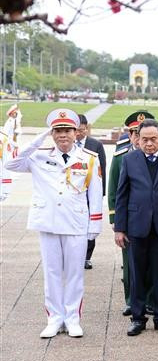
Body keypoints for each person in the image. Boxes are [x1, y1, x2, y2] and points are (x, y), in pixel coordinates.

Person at [5, 109, 102, 338]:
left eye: (67, 130)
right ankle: (54, 318)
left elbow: (95, 194)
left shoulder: (89, 158)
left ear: (76, 132)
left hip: (75, 222)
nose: (63, 136)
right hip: (48, 222)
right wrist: (39, 138)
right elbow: (11, 164)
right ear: (52, 133)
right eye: (57, 131)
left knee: (75, 273)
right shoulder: (38, 155)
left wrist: (94, 225)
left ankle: (73, 319)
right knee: (52, 273)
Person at [114, 119, 158, 336]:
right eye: (144, 139)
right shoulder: (130, 159)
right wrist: (119, 228)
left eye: (153, 139)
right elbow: (122, 195)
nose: (149, 143)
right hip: (137, 226)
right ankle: (138, 318)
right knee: (137, 274)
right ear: (138, 140)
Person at [108, 110, 155, 317]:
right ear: (130, 136)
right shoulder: (121, 158)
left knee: (153, 264)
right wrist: (115, 220)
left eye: (141, 133)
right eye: (135, 133)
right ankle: (131, 300)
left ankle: (152, 300)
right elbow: (113, 191)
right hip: (130, 220)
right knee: (130, 264)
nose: (138, 138)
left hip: (154, 220)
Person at [75, 114, 107, 270]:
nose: (79, 133)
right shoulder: (68, 144)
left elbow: (103, 170)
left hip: (91, 192)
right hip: (74, 193)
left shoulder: (95, 145)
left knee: (90, 225)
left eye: (81, 130)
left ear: (86, 129)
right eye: (76, 130)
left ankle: (87, 257)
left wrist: (101, 193)